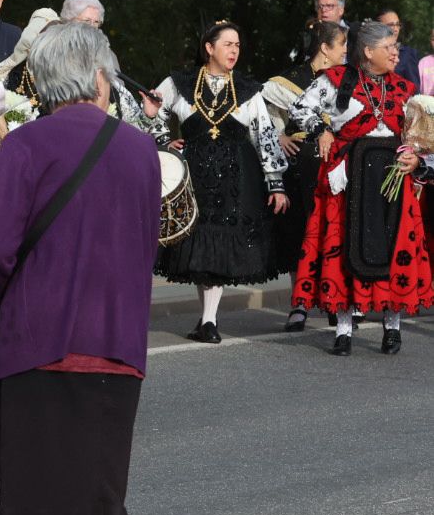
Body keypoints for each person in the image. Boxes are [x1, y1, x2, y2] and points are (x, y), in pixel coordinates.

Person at [0, 21, 160, 515]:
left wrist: (4, 299)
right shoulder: (141, 151)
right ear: (102, 76)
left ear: (43, 81)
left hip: (44, 341)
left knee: (49, 504)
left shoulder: (25, 145)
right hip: (120, 345)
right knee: (102, 502)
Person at [290, 20, 434, 355]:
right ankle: (343, 328)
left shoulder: (406, 89)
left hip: (393, 179)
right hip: (349, 180)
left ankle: (392, 326)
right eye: (389, 48)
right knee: (345, 248)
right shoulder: (338, 81)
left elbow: (420, 140)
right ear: (368, 51)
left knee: (393, 246)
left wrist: (415, 159)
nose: (396, 54)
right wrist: (321, 131)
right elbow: (300, 109)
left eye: (396, 47)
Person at [152, 22, 288, 342]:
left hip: (233, 178)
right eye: (227, 44)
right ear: (209, 48)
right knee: (200, 248)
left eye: (238, 45)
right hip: (194, 176)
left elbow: (265, 136)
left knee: (219, 246)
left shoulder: (248, 90)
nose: (234, 51)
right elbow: (152, 109)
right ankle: (206, 320)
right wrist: (163, 141)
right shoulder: (180, 83)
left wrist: (276, 184)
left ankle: (209, 321)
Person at [264, 19, 349, 330]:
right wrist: (279, 136)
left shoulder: (348, 79)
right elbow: (266, 118)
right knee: (299, 232)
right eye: (342, 45)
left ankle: (331, 298)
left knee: (332, 232)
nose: (346, 52)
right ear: (325, 48)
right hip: (301, 165)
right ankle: (298, 303)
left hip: (335, 165)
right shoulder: (289, 80)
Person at [377, 9, 421, 84]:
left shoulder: (408, 54)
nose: (395, 29)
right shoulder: (370, 52)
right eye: (391, 25)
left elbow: (414, 88)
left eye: (397, 25)